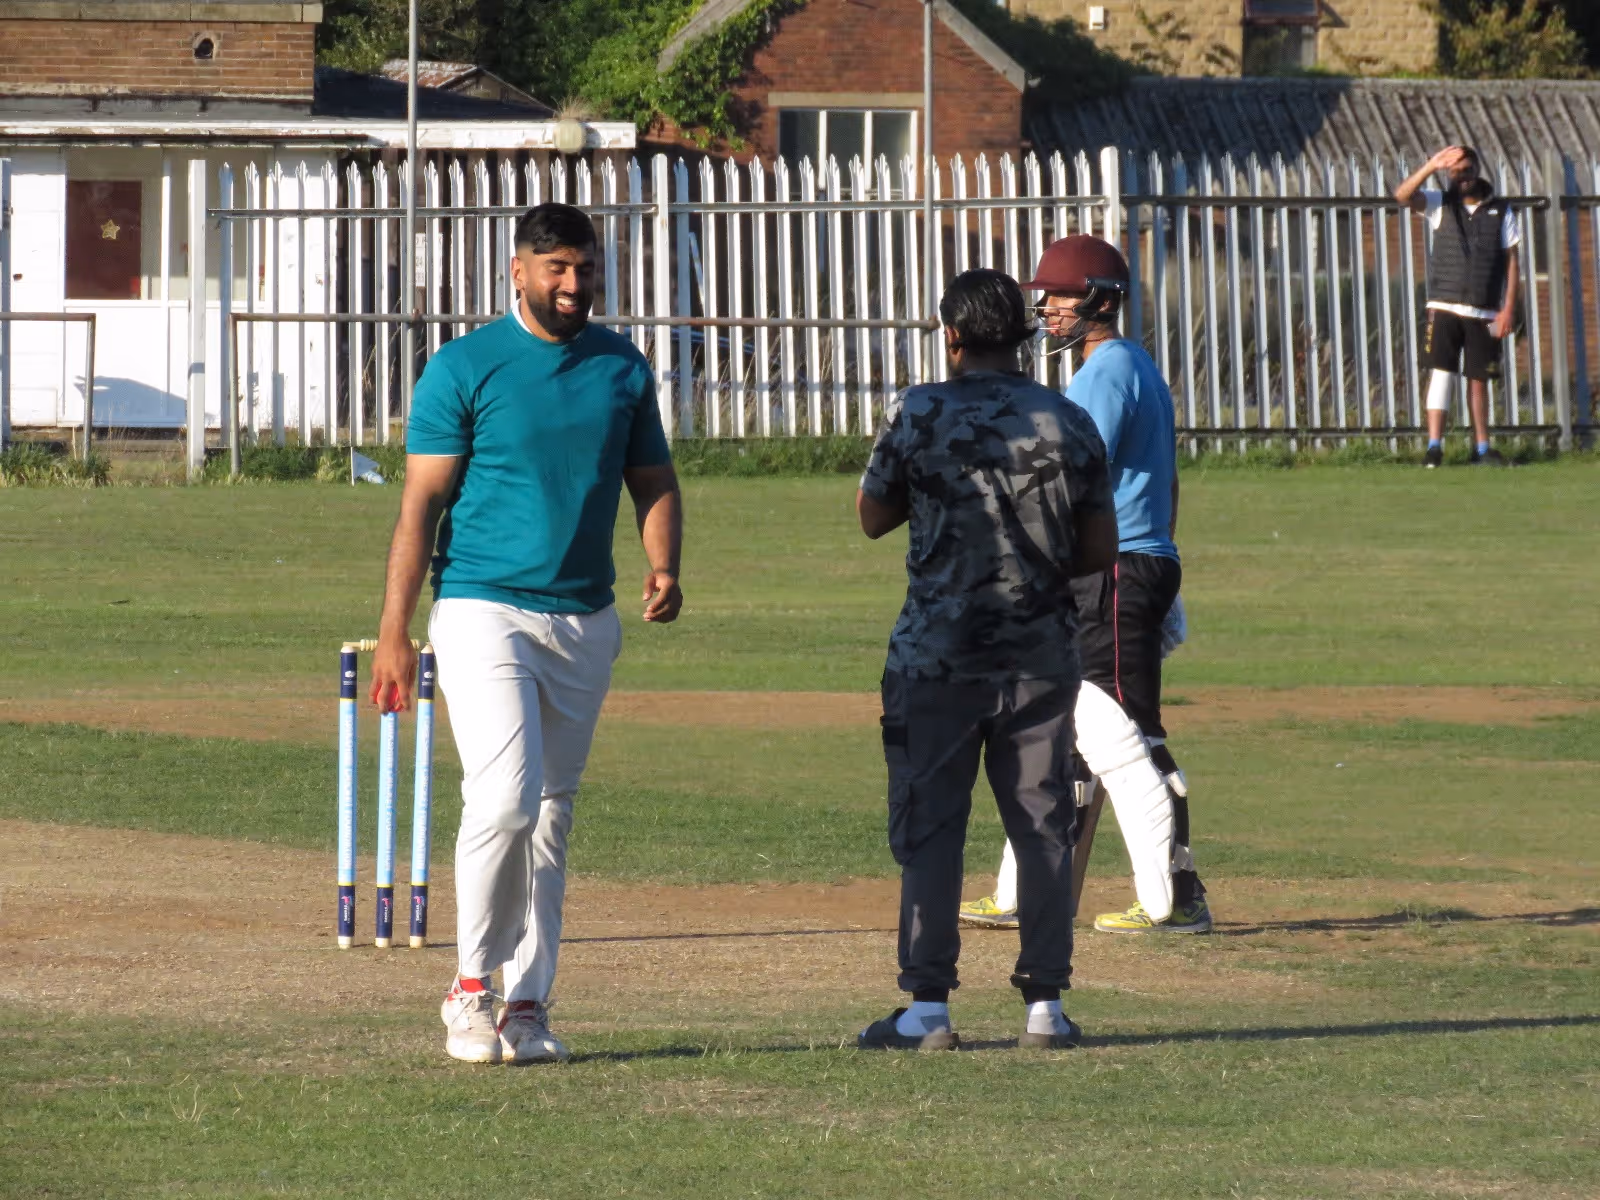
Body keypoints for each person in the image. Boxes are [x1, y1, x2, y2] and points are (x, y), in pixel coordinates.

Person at [368, 202, 684, 1065]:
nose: (574, 284)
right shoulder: (466, 367)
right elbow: (419, 507)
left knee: (550, 817)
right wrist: (393, 631)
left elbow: (652, 480)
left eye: (585, 268)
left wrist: (665, 564)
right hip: (481, 604)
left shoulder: (622, 367)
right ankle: (469, 989)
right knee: (504, 796)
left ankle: (529, 1003)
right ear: (518, 271)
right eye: (555, 268)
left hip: (586, 616)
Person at [854, 268, 1118, 1051]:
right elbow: (1099, 548)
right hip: (1039, 653)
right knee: (1041, 824)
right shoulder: (1069, 418)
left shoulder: (921, 409)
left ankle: (926, 1007)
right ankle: (1046, 1005)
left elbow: (872, 516)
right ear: (1027, 334)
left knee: (931, 828)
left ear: (952, 336)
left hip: (935, 655)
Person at [959, 234, 1213, 936]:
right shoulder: (1129, 365)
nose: (1048, 307)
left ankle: (1177, 899)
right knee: (1067, 736)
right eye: (1046, 295)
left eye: (1063, 294)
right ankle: (1029, 895)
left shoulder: (1105, 371)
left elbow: (1066, 475)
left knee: (1126, 734)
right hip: (1126, 564)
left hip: (1113, 569)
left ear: (1101, 298)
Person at [1393, 145, 1520, 468]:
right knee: (1442, 374)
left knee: (1479, 380)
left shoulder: (1501, 211)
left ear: (1478, 169)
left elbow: (1512, 263)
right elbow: (1402, 195)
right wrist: (1431, 165)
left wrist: (1507, 310)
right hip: (1444, 305)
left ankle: (1482, 449)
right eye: (1454, 172)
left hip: (1484, 310)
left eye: (1466, 170)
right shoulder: (1439, 204)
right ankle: (1434, 447)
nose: (1461, 177)